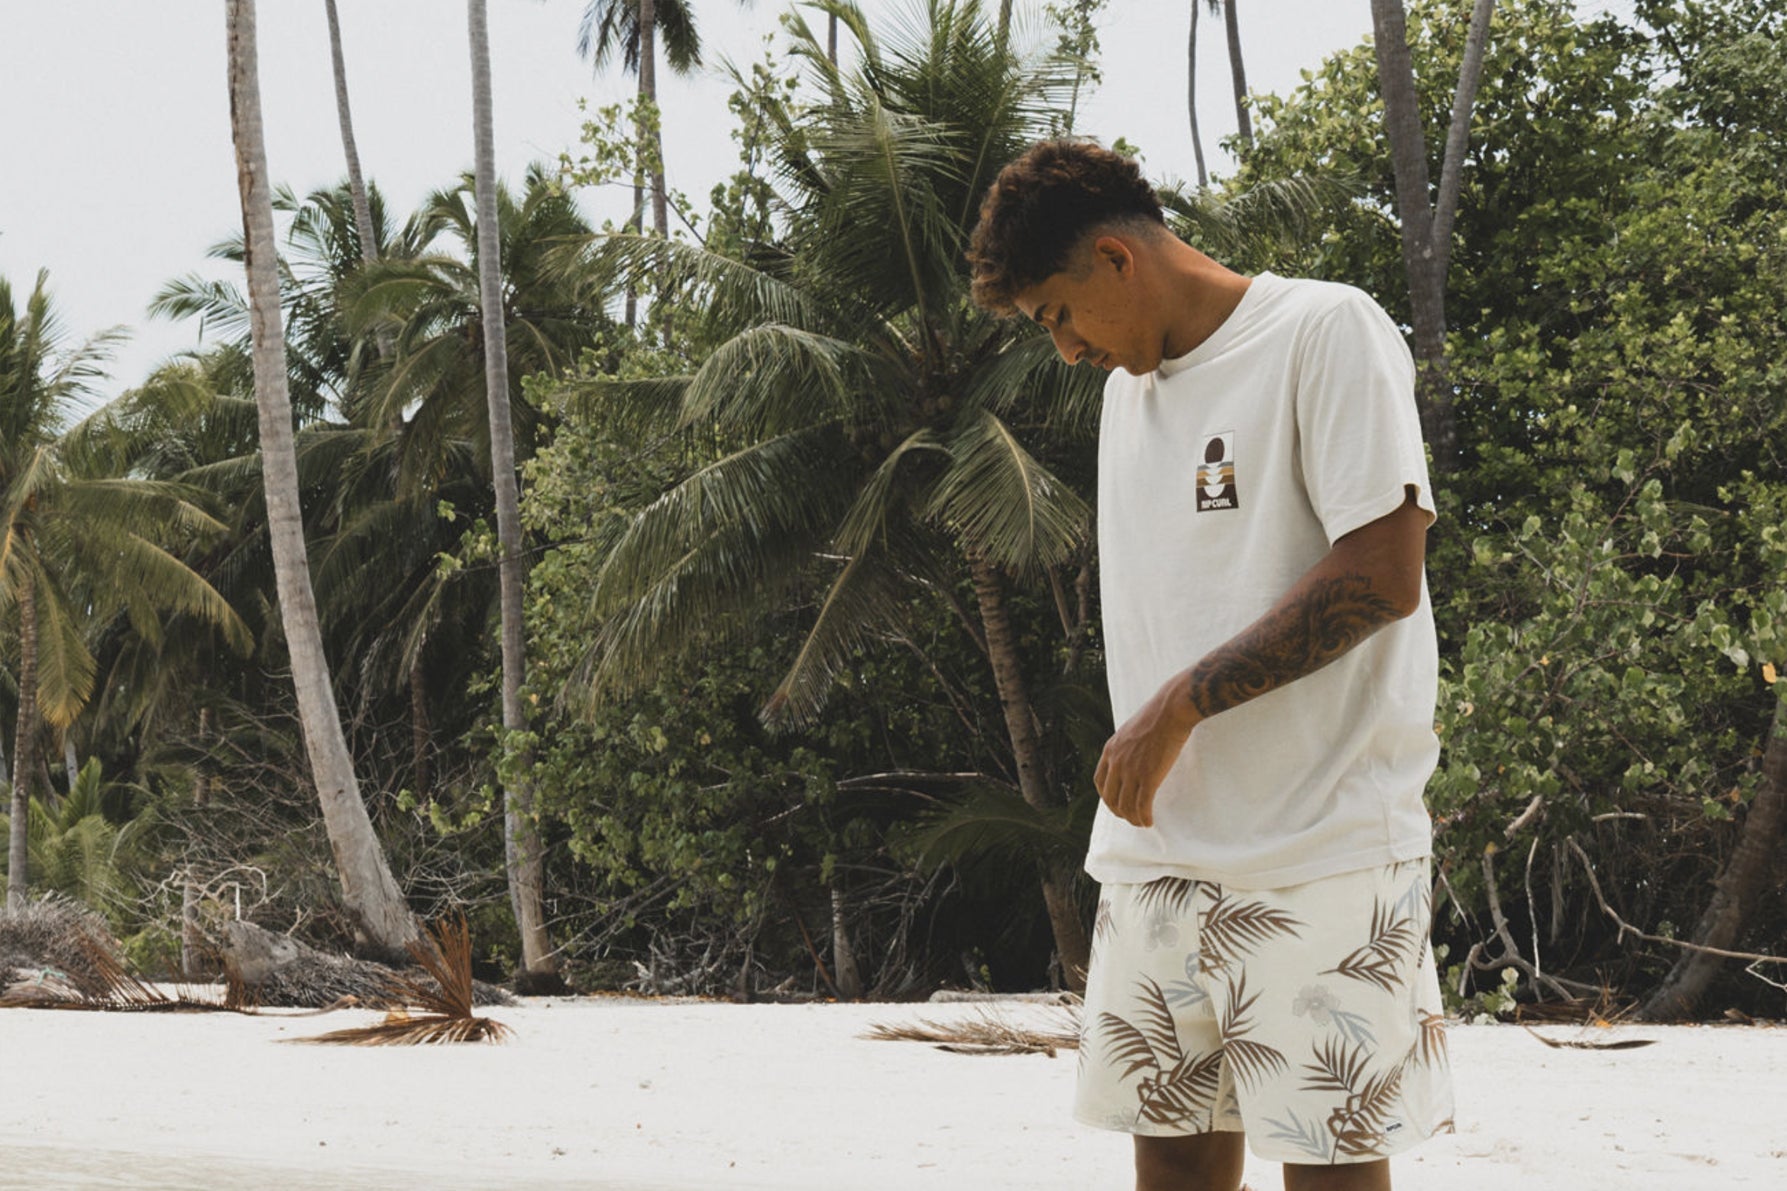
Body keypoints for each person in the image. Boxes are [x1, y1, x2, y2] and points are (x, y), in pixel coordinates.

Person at [967, 139, 1455, 1191]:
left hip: (1320, 844)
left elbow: (1381, 572)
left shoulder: (1323, 331)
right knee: (1174, 1169)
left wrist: (1177, 707)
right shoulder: (1125, 396)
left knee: (1326, 1167)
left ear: (1113, 259)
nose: (1062, 349)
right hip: (1157, 854)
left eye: (1055, 315)